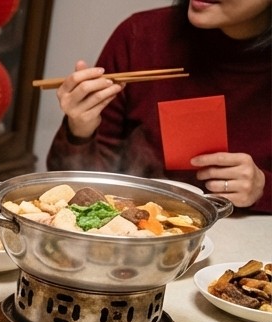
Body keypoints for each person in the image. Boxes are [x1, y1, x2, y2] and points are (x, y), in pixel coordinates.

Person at [46, 0, 271, 213]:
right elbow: (71, 188)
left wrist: (263, 187)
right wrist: (80, 130)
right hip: (139, 233)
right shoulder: (141, 35)